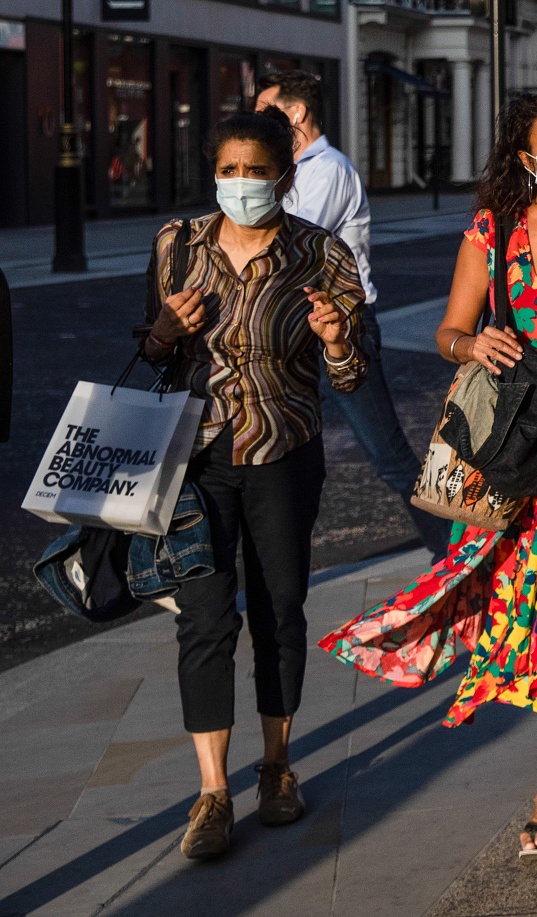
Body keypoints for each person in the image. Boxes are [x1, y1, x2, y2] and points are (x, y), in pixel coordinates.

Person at [320, 89, 537, 861]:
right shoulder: (492, 230)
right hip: (506, 437)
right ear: (524, 157)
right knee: (510, 583)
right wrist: (472, 349)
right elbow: (448, 330)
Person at [139, 107, 367, 861]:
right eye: (228, 170)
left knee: (280, 609)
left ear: (285, 175)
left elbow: (351, 372)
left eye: (256, 170)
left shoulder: (320, 253)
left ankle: (276, 765)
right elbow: (150, 350)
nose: (241, 183)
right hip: (195, 459)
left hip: (283, 451)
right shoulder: (178, 245)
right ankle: (211, 793)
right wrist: (168, 330)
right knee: (204, 618)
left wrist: (336, 340)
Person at [255, 70, 452, 561]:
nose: (256, 118)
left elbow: (289, 246)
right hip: (292, 333)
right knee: (268, 454)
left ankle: (454, 556)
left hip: (343, 330)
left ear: (295, 113)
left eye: (265, 109)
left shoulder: (329, 170)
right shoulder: (287, 172)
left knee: (388, 456)